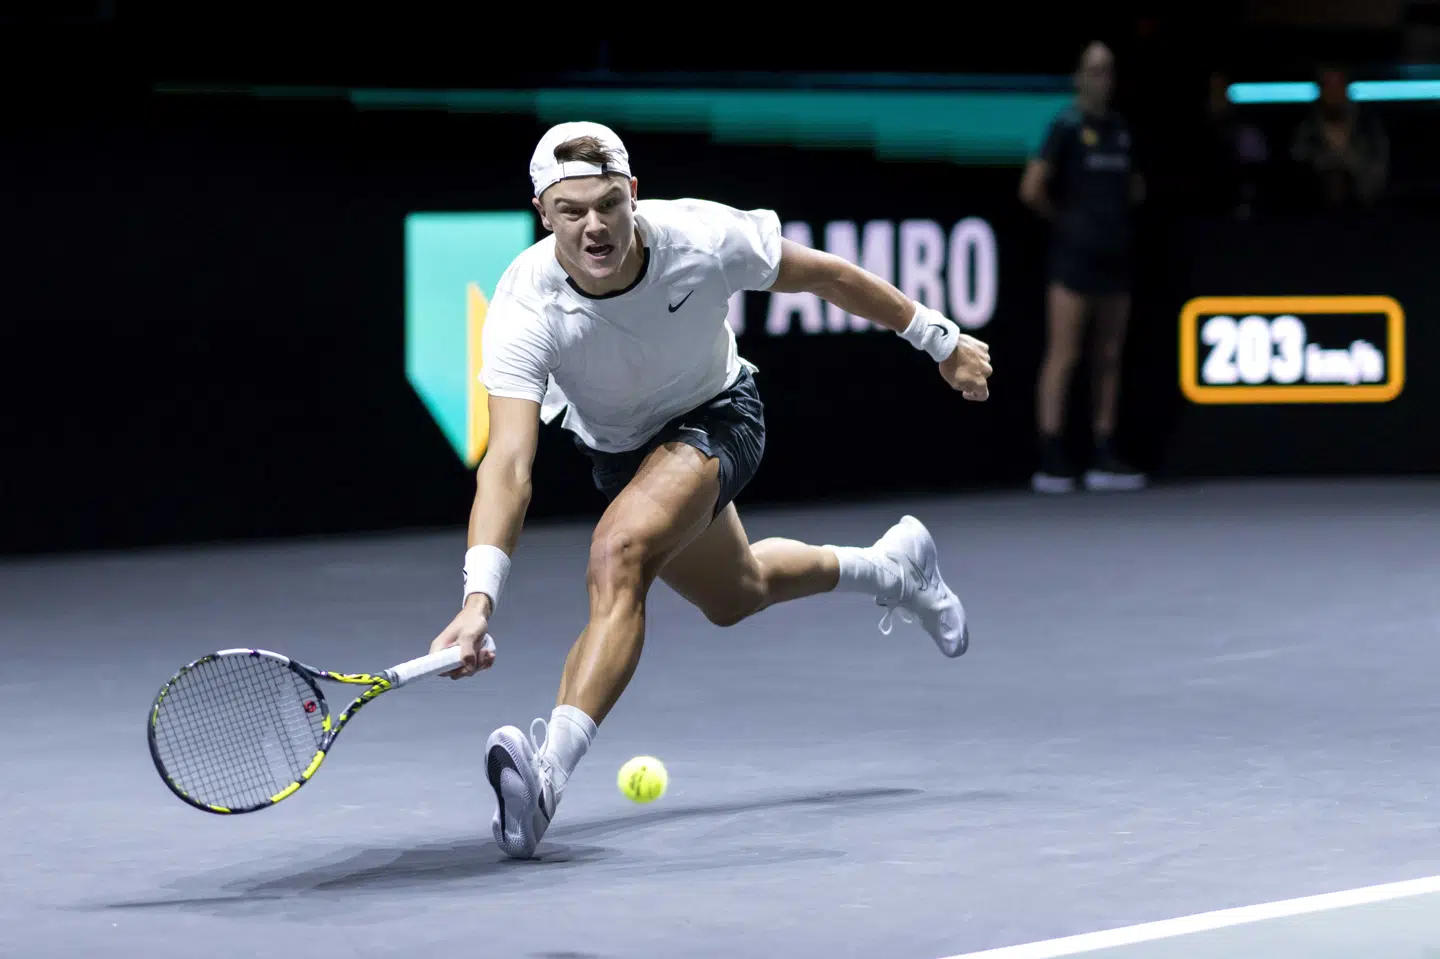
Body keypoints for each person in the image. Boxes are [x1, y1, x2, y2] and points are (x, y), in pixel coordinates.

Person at [426, 121, 992, 860]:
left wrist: (940, 340)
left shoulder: (700, 235)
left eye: (607, 204)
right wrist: (478, 600)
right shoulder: (525, 304)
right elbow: (507, 465)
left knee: (617, 552)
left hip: (720, 416)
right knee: (738, 592)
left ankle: (546, 778)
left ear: (633, 194)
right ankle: (893, 567)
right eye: (571, 211)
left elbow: (825, 275)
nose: (593, 226)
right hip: (621, 455)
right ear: (543, 212)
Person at [1019, 41, 1147, 494]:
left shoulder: (1120, 129)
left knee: (1108, 357)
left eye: (1109, 71)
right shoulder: (1065, 126)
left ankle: (1103, 448)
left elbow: (1134, 188)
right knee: (1065, 354)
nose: (1102, 79)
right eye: (1094, 70)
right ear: (1078, 76)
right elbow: (1031, 188)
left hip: (1115, 256)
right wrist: (1068, 222)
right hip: (1073, 258)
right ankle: (1052, 452)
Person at [1290, 65, 1388, 212]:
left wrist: (1352, 168)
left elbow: (1380, 166)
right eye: (1328, 86)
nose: (1333, 93)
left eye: (1338, 86)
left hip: (1364, 209)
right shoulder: (1307, 127)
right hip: (1313, 211)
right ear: (1320, 90)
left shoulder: (1367, 126)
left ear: (1346, 88)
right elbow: (1297, 163)